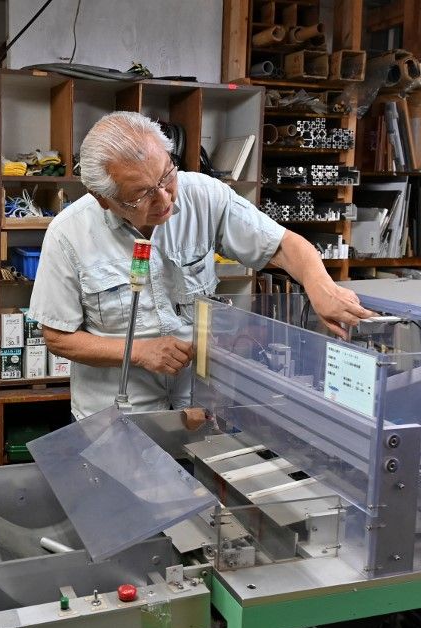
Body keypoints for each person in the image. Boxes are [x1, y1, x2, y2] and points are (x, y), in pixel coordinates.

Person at [28, 111, 371, 419]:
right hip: (116, 417)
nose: (165, 200)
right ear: (103, 198)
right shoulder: (68, 234)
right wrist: (138, 352)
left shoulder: (204, 196)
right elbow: (58, 337)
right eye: (142, 194)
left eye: (166, 177)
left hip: (197, 406)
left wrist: (321, 287)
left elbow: (281, 244)